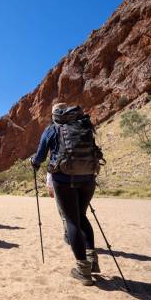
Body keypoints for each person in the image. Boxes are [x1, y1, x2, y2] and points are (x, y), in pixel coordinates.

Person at [30, 102, 101, 286]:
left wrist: (34, 163)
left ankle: (83, 269)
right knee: (82, 216)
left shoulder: (52, 129)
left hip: (64, 180)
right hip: (88, 178)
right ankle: (92, 259)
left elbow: (39, 157)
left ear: (53, 114)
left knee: (72, 221)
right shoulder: (82, 125)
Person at [47, 171, 69, 244]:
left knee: (64, 213)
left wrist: (50, 186)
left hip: (60, 183)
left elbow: (51, 167)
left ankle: (68, 236)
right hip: (85, 181)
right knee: (81, 213)